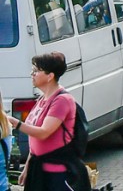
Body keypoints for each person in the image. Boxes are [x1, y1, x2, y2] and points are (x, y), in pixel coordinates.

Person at [19, 52, 85, 191]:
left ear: (50, 76)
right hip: (39, 171)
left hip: (57, 173)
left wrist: (16, 123)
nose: (32, 74)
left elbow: (43, 133)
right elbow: (34, 141)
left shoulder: (62, 100)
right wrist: (27, 168)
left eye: (36, 71)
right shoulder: (42, 99)